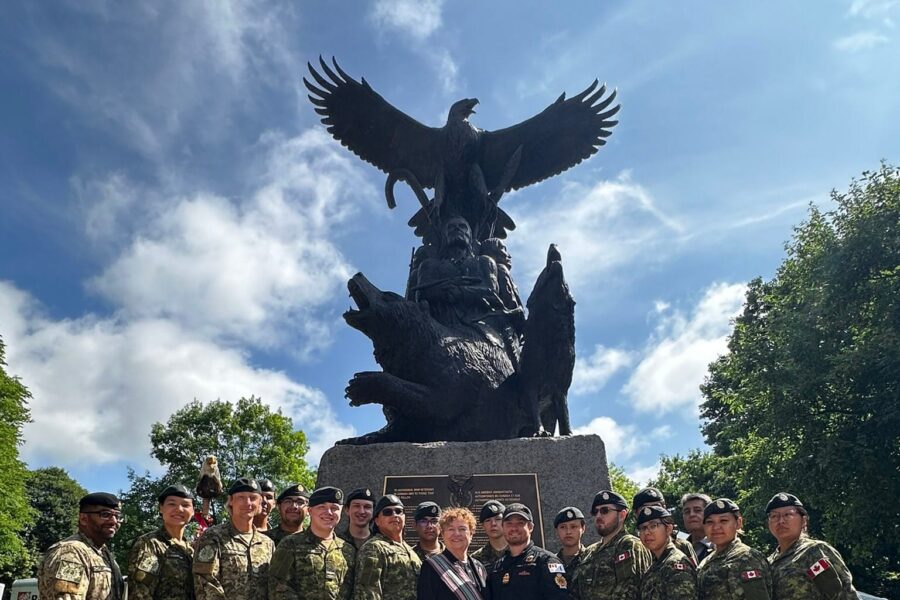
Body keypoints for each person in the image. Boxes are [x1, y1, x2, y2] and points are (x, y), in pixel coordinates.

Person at [193, 477, 275, 600]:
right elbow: (205, 581)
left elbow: (273, 585)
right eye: (241, 497)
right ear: (231, 501)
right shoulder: (213, 536)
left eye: (253, 498)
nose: (248, 503)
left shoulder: (267, 543)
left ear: (259, 503)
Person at [269, 486, 356, 600]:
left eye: (334, 508)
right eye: (322, 507)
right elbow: (278, 588)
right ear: (310, 511)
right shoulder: (290, 544)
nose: (328, 512)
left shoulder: (348, 550)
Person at [765, 492, 857, 599]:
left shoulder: (814, 552)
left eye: (788, 515)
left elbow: (844, 595)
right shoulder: (768, 562)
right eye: (774, 516)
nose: (781, 521)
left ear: (803, 521)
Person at [38, 492, 126, 600]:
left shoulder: (103, 553)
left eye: (118, 516)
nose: (114, 521)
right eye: (105, 514)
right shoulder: (70, 552)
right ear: (84, 519)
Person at [569, 490, 651, 600]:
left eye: (605, 511)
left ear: (622, 515)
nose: (598, 516)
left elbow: (630, 591)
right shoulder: (589, 552)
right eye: (595, 511)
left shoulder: (629, 545)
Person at [488, 502, 569, 600]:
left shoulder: (546, 562)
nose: (514, 528)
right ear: (503, 527)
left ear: (530, 527)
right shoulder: (497, 567)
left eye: (520, 523)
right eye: (509, 524)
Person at [127, 484, 195, 600]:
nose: (179, 509)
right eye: (172, 504)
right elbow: (140, 592)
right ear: (161, 508)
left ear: (193, 511)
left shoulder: (190, 549)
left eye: (185, 505)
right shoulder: (149, 543)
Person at [697, 498, 771, 600]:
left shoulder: (747, 558)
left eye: (723, 521)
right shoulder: (706, 561)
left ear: (738, 523)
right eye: (710, 522)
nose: (716, 527)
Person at [351, 494, 421, 600]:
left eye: (398, 511)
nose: (394, 515)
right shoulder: (374, 548)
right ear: (377, 521)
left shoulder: (410, 550)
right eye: (387, 512)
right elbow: (367, 593)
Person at [416, 507, 489, 600]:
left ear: (471, 533)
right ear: (443, 534)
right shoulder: (431, 567)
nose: (456, 534)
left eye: (462, 529)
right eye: (451, 529)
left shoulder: (479, 567)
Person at [636, 505, 697, 600]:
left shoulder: (676, 564)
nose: (647, 532)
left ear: (668, 529)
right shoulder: (655, 565)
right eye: (643, 528)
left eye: (653, 526)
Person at [632, 487, 697, 565]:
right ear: (635, 514)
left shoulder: (681, 546)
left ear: (664, 509)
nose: (652, 511)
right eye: (645, 508)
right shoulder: (632, 547)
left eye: (657, 506)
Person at [470, 500, 507, 570]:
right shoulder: (475, 559)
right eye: (488, 520)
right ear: (483, 526)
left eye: (498, 519)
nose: (493, 524)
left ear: (505, 522)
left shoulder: (518, 552)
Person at [554, 506, 586, 586]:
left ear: (583, 528)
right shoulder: (550, 562)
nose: (568, 532)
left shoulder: (592, 559)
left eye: (573, 527)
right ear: (556, 531)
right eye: (563, 527)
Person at [680, 493, 713, 563]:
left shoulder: (719, 545)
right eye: (687, 512)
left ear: (709, 514)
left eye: (697, 510)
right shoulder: (678, 547)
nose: (691, 514)